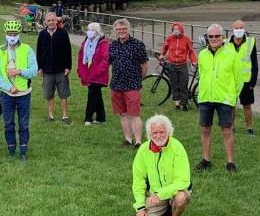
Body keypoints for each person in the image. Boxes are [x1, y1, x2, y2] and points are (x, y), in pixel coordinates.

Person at [132, 114, 192, 216]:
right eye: (155, 133)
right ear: (150, 134)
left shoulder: (177, 147)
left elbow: (183, 181)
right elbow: (138, 180)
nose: (158, 136)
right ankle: (165, 211)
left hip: (173, 192)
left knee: (181, 198)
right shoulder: (143, 150)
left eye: (162, 132)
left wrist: (160, 194)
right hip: (154, 196)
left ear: (168, 132)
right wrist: (140, 207)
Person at [196, 23, 241, 172]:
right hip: (206, 98)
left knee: (227, 130)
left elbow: (239, 78)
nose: (214, 39)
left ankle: (230, 162)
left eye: (217, 36)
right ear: (207, 37)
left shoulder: (231, 54)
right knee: (205, 130)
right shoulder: (202, 55)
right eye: (211, 36)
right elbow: (202, 75)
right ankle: (206, 159)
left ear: (222, 37)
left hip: (225, 98)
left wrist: (233, 96)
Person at [0, 20, 39, 159]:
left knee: (23, 124)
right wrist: (9, 87)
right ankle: (11, 149)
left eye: (14, 34)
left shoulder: (27, 49)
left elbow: (34, 71)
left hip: (24, 93)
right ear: (5, 34)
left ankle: (23, 151)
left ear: (18, 34)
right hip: (7, 94)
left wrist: (19, 71)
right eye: (9, 34)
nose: (12, 37)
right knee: (8, 123)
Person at [107, 18, 149, 147]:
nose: (121, 31)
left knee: (134, 114)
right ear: (115, 31)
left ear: (128, 29)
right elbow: (108, 63)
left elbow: (145, 64)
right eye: (119, 29)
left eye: (123, 29)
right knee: (123, 114)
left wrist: (139, 79)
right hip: (116, 84)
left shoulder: (137, 44)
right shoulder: (112, 45)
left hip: (132, 85)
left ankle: (138, 141)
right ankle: (127, 139)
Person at [36, 12, 73, 122]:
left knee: (63, 94)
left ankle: (65, 116)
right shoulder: (42, 34)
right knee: (49, 94)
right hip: (47, 70)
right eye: (49, 20)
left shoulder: (63, 33)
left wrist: (68, 66)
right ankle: (51, 115)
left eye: (53, 20)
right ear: (45, 22)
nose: (51, 22)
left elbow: (68, 51)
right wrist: (40, 67)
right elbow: (39, 52)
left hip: (61, 69)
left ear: (57, 21)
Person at [77, 21, 109, 125]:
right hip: (89, 72)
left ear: (97, 32)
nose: (89, 32)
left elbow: (105, 59)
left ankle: (88, 118)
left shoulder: (103, 43)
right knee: (96, 95)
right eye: (89, 30)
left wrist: (97, 71)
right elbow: (81, 55)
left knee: (92, 95)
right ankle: (101, 118)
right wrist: (81, 70)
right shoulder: (86, 41)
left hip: (98, 74)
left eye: (92, 30)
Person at [230, 19, 258, 135]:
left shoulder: (251, 42)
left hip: (246, 80)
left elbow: (254, 62)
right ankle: (231, 126)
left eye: (241, 28)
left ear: (244, 29)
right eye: (236, 28)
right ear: (232, 29)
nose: (239, 30)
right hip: (231, 79)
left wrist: (253, 81)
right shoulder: (226, 42)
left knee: (247, 105)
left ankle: (249, 127)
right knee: (231, 105)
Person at [159, 21, 196, 111]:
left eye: (177, 29)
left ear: (181, 30)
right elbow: (165, 47)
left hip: (182, 65)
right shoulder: (170, 38)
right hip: (172, 65)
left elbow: (191, 51)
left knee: (183, 84)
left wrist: (193, 61)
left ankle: (185, 104)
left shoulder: (186, 39)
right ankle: (177, 104)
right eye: (174, 29)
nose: (176, 30)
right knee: (174, 85)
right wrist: (162, 55)